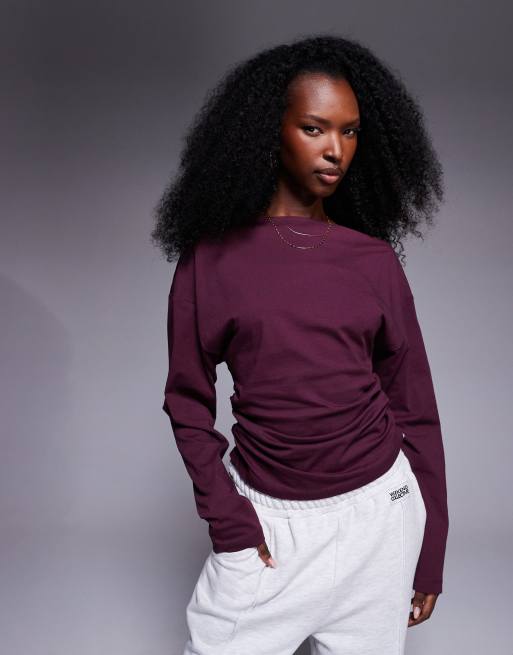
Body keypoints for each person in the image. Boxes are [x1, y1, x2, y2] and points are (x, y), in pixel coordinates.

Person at [151, 33, 449, 655]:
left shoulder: (373, 261)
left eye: (350, 131)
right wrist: (229, 522)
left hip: (381, 520)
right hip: (268, 530)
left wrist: (431, 548)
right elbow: (186, 403)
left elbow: (416, 408)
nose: (335, 149)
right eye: (314, 128)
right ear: (271, 132)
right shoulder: (211, 261)